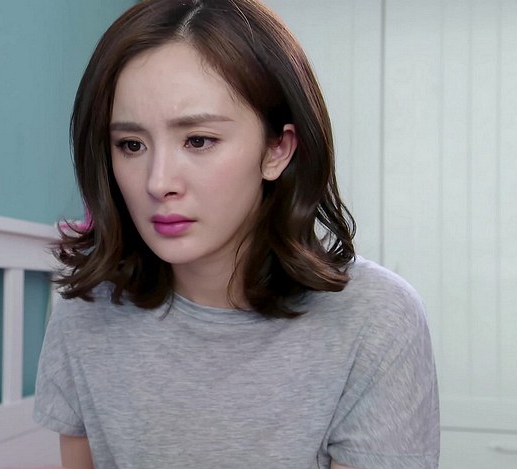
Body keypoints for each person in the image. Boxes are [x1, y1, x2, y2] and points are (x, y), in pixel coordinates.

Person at [33, 0, 440, 468]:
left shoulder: (376, 321)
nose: (158, 182)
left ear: (277, 149)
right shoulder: (85, 311)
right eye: (131, 145)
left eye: (198, 140)